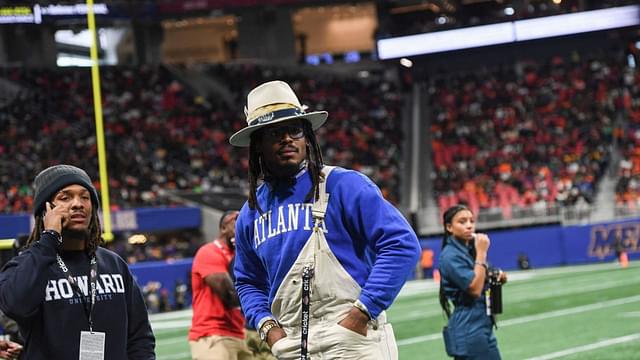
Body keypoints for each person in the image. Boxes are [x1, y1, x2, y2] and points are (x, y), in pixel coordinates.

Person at [229, 80, 421, 359]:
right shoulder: (250, 213)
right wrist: (268, 327)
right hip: (292, 343)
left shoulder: (345, 185)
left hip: (354, 337)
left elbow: (402, 244)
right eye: (274, 133)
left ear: (307, 137)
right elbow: (247, 281)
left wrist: (361, 313)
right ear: (258, 145)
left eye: (294, 130)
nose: (286, 139)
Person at [0, 164, 156, 359]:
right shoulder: (25, 265)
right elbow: (15, 306)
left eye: (85, 197)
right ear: (46, 210)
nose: (77, 204)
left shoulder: (114, 264)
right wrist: (49, 238)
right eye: (65, 197)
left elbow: (140, 337)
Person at [438, 205, 507, 360]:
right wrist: (482, 253)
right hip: (470, 328)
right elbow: (474, 289)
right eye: (462, 222)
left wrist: (496, 278)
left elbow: (481, 279)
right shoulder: (450, 256)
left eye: (471, 221)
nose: (469, 225)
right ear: (449, 227)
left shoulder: (467, 251)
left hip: (481, 325)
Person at [189, 210, 253, 360]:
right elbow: (230, 296)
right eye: (236, 220)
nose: (242, 224)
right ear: (223, 228)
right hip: (213, 334)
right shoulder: (209, 252)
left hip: (238, 333)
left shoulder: (240, 254)